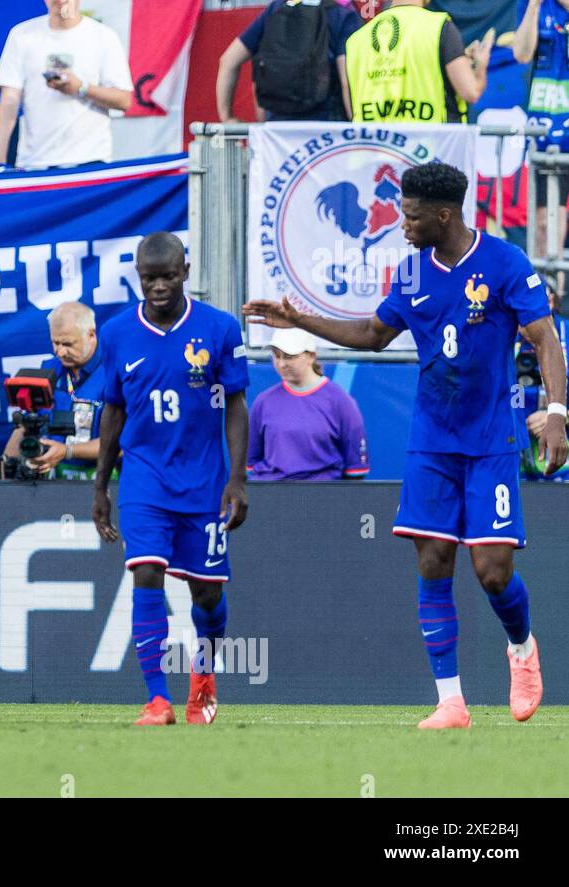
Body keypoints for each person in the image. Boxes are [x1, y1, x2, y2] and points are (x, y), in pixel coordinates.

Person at [243, 162, 569, 730]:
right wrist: (300, 320)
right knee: (433, 559)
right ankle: (451, 702)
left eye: (412, 215)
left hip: (490, 440)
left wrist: (558, 413)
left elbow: (545, 337)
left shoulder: (505, 264)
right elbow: (373, 334)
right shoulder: (413, 274)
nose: (402, 224)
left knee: (492, 572)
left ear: (443, 215)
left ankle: (521, 646)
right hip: (431, 442)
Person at [92, 232, 249, 728]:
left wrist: (238, 479)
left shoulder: (220, 330)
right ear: (138, 277)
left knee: (206, 594)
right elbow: (112, 411)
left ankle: (203, 675)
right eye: (147, 278)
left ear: (185, 270)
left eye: (165, 276)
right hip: (144, 480)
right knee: (146, 573)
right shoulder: (117, 334)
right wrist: (100, 485)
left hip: (203, 483)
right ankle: (157, 700)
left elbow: (237, 406)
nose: (157, 287)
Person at [0, 0, 134, 170]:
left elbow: (123, 100)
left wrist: (81, 88)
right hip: (35, 162)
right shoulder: (22, 35)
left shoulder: (103, 36)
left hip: (90, 159)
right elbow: (9, 98)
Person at [247, 327, 370, 481]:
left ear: (311, 356)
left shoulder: (341, 401)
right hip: (272, 495)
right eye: (277, 356)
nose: (282, 363)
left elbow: (356, 470)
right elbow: (252, 461)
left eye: (290, 356)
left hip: (322, 497)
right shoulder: (263, 401)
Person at [2, 301, 105, 479]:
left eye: (67, 344)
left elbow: (126, 445)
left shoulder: (116, 371)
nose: (60, 352)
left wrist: (68, 451)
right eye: (55, 343)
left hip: (106, 485)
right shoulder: (48, 370)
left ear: (91, 335)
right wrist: (7, 465)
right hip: (53, 488)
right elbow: (25, 426)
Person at [344, 0, 490, 124]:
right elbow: (471, 92)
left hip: (374, 149)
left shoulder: (357, 40)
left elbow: (353, 107)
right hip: (432, 149)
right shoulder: (439, 27)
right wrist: (480, 65)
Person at [216, 0, 360, 123]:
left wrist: (227, 117)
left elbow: (228, 61)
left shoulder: (276, 9)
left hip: (276, 131)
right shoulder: (343, 16)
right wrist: (356, 130)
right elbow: (347, 80)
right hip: (325, 129)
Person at [513, 0, 569, 275]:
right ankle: (550, 295)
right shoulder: (532, 5)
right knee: (546, 218)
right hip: (545, 124)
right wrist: (534, 6)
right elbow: (522, 54)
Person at [517, 283, 569, 480]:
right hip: (514, 466)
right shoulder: (501, 338)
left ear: (551, 301)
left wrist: (558, 416)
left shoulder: (566, 334)